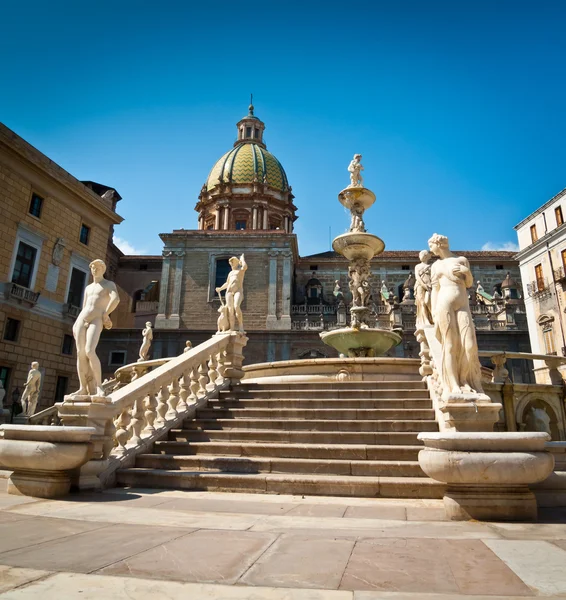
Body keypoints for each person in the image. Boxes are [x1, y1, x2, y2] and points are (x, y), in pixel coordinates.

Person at [428, 233, 483, 395]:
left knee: (469, 345)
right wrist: (434, 312)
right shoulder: (435, 266)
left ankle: (465, 379)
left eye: (431, 245)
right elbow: (435, 290)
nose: (430, 249)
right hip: (444, 304)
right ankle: (453, 384)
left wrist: (467, 272)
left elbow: (469, 284)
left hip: (463, 304)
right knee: (450, 345)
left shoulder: (462, 260)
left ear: (439, 244)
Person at [71, 259, 120, 397]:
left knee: (89, 351)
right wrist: (77, 322)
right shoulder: (88, 288)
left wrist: (106, 313)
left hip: (97, 318)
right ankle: (83, 388)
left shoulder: (108, 284)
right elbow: (85, 306)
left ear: (103, 269)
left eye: (97, 267)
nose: (94, 269)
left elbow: (115, 299)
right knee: (80, 353)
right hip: (82, 318)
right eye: (92, 267)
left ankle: (99, 387)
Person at [215, 254, 247, 332]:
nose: (231, 264)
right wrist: (220, 288)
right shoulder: (230, 273)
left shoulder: (240, 271)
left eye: (233, 262)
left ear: (236, 263)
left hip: (238, 291)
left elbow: (245, 267)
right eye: (231, 263)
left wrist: (242, 259)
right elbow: (227, 283)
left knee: (236, 306)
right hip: (229, 292)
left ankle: (240, 326)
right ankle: (232, 328)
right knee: (230, 310)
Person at [414, 250, 433, 328]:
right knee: (422, 303)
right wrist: (424, 285)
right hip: (420, 285)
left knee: (429, 302)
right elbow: (417, 277)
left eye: (421, 254)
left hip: (430, 286)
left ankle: (432, 318)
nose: (419, 256)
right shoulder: (417, 266)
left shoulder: (431, 266)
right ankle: (425, 320)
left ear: (426, 256)